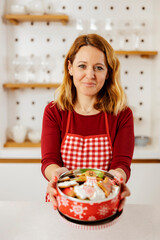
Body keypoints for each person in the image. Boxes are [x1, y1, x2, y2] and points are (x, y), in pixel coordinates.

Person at [41, 34, 134, 211]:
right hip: (62, 203)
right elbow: (49, 161)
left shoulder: (122, 114)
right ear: (70, 68)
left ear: (108, 73)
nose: (90, 75)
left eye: (99, 68)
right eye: (82, 66)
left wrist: (117, 178)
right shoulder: (55, 112)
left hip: (103, 204)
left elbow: (122, 164)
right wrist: (56, 175)